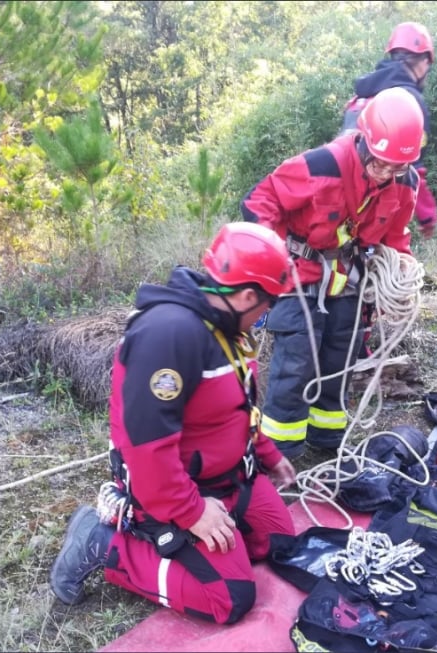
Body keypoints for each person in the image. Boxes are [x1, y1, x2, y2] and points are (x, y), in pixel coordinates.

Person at [50, 222, 299, 624]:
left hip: (229, 476)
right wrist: (193, 512)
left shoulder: (228, 327)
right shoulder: (169, 334)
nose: (267, 313)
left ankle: (213, 534)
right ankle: (104, 543)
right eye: (268, 303)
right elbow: (146, 448)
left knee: (282, 545)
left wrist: (268, 452)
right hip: (172, 488)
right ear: (248, 295)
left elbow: (240, 407)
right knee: (230, 597)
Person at [240, 87, 424, 459]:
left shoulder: (405, 184)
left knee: (339, 363)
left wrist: (399, 267)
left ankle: (326, 446)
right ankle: (279, 455)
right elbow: (259, 202)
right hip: (299, 274)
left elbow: (394, 238)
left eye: (396, 166)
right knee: (297, 364)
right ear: (364, 143)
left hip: (351, 281)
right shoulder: (320, 167)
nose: (385, 173)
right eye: (378, 163)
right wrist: (270, 260)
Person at [341, 21, 437, 240]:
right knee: (384, 264)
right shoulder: (408, 101)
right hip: (378, 200)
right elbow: (411, 164)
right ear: (422, 61)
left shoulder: (360, 98)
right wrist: (426, 214)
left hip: (338, 196)